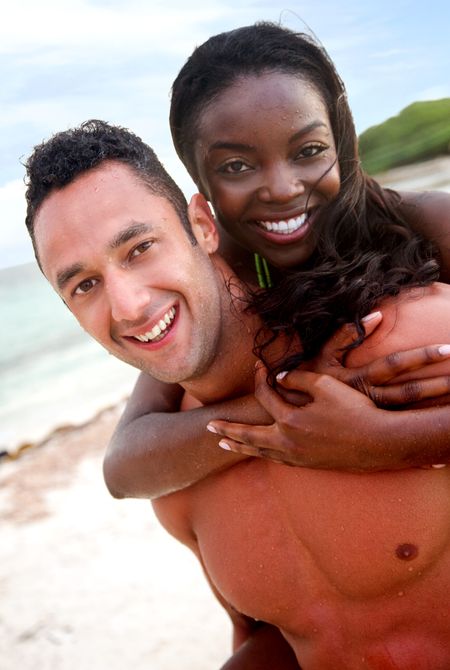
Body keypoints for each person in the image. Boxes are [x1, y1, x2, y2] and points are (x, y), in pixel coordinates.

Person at [25, 120, 450, 668]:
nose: (128, 306)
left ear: (202, 226)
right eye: (84, 285)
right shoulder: (177, 480)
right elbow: (280, 637)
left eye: (140, 247)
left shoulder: (400, 348)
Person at [103, 22, 450, 501]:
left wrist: (384, 442)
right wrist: (294, 404)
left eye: (308, 152)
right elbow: (125, 467)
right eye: (237, 167)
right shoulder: (221, 265)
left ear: (341, 141)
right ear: (200, 185)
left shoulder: (431, 222)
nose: (283, 189)